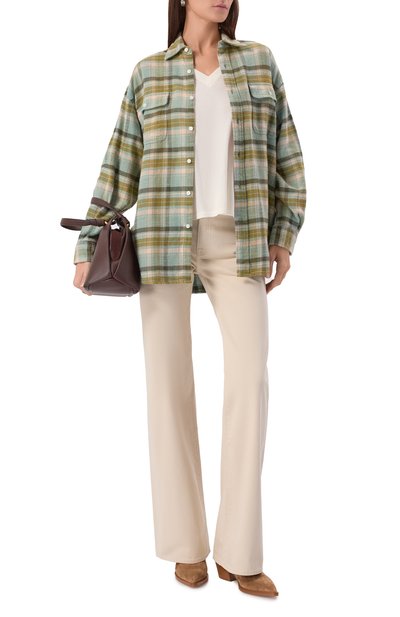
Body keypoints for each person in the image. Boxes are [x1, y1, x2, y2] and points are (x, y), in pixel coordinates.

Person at [72, 0, 306, 598]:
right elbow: (118, 165)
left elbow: (288, 157)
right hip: (162, 240)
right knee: (168, 387)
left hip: (240, 241)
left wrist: (284, 236)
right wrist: (88, 243)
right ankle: (186, 547)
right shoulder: (149, 72)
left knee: (250, 382)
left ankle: (239, 552)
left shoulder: (259, 62)